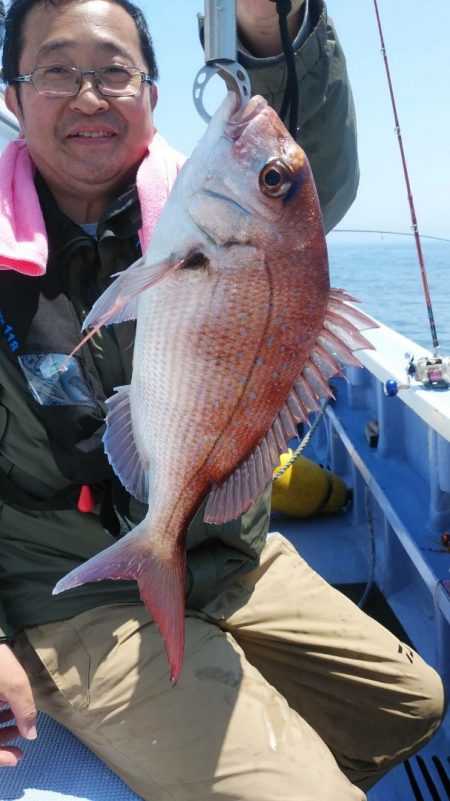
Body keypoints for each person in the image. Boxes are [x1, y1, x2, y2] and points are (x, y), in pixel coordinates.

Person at [0, 0, 445, 799]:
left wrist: (269, 23)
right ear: (11, 98)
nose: (90, 95)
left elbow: (311, 166)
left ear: (154, 94)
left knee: (414, 704)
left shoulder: (186, 205)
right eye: (57, 70)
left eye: (114, 71)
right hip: (68, 591)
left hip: (227, 553)